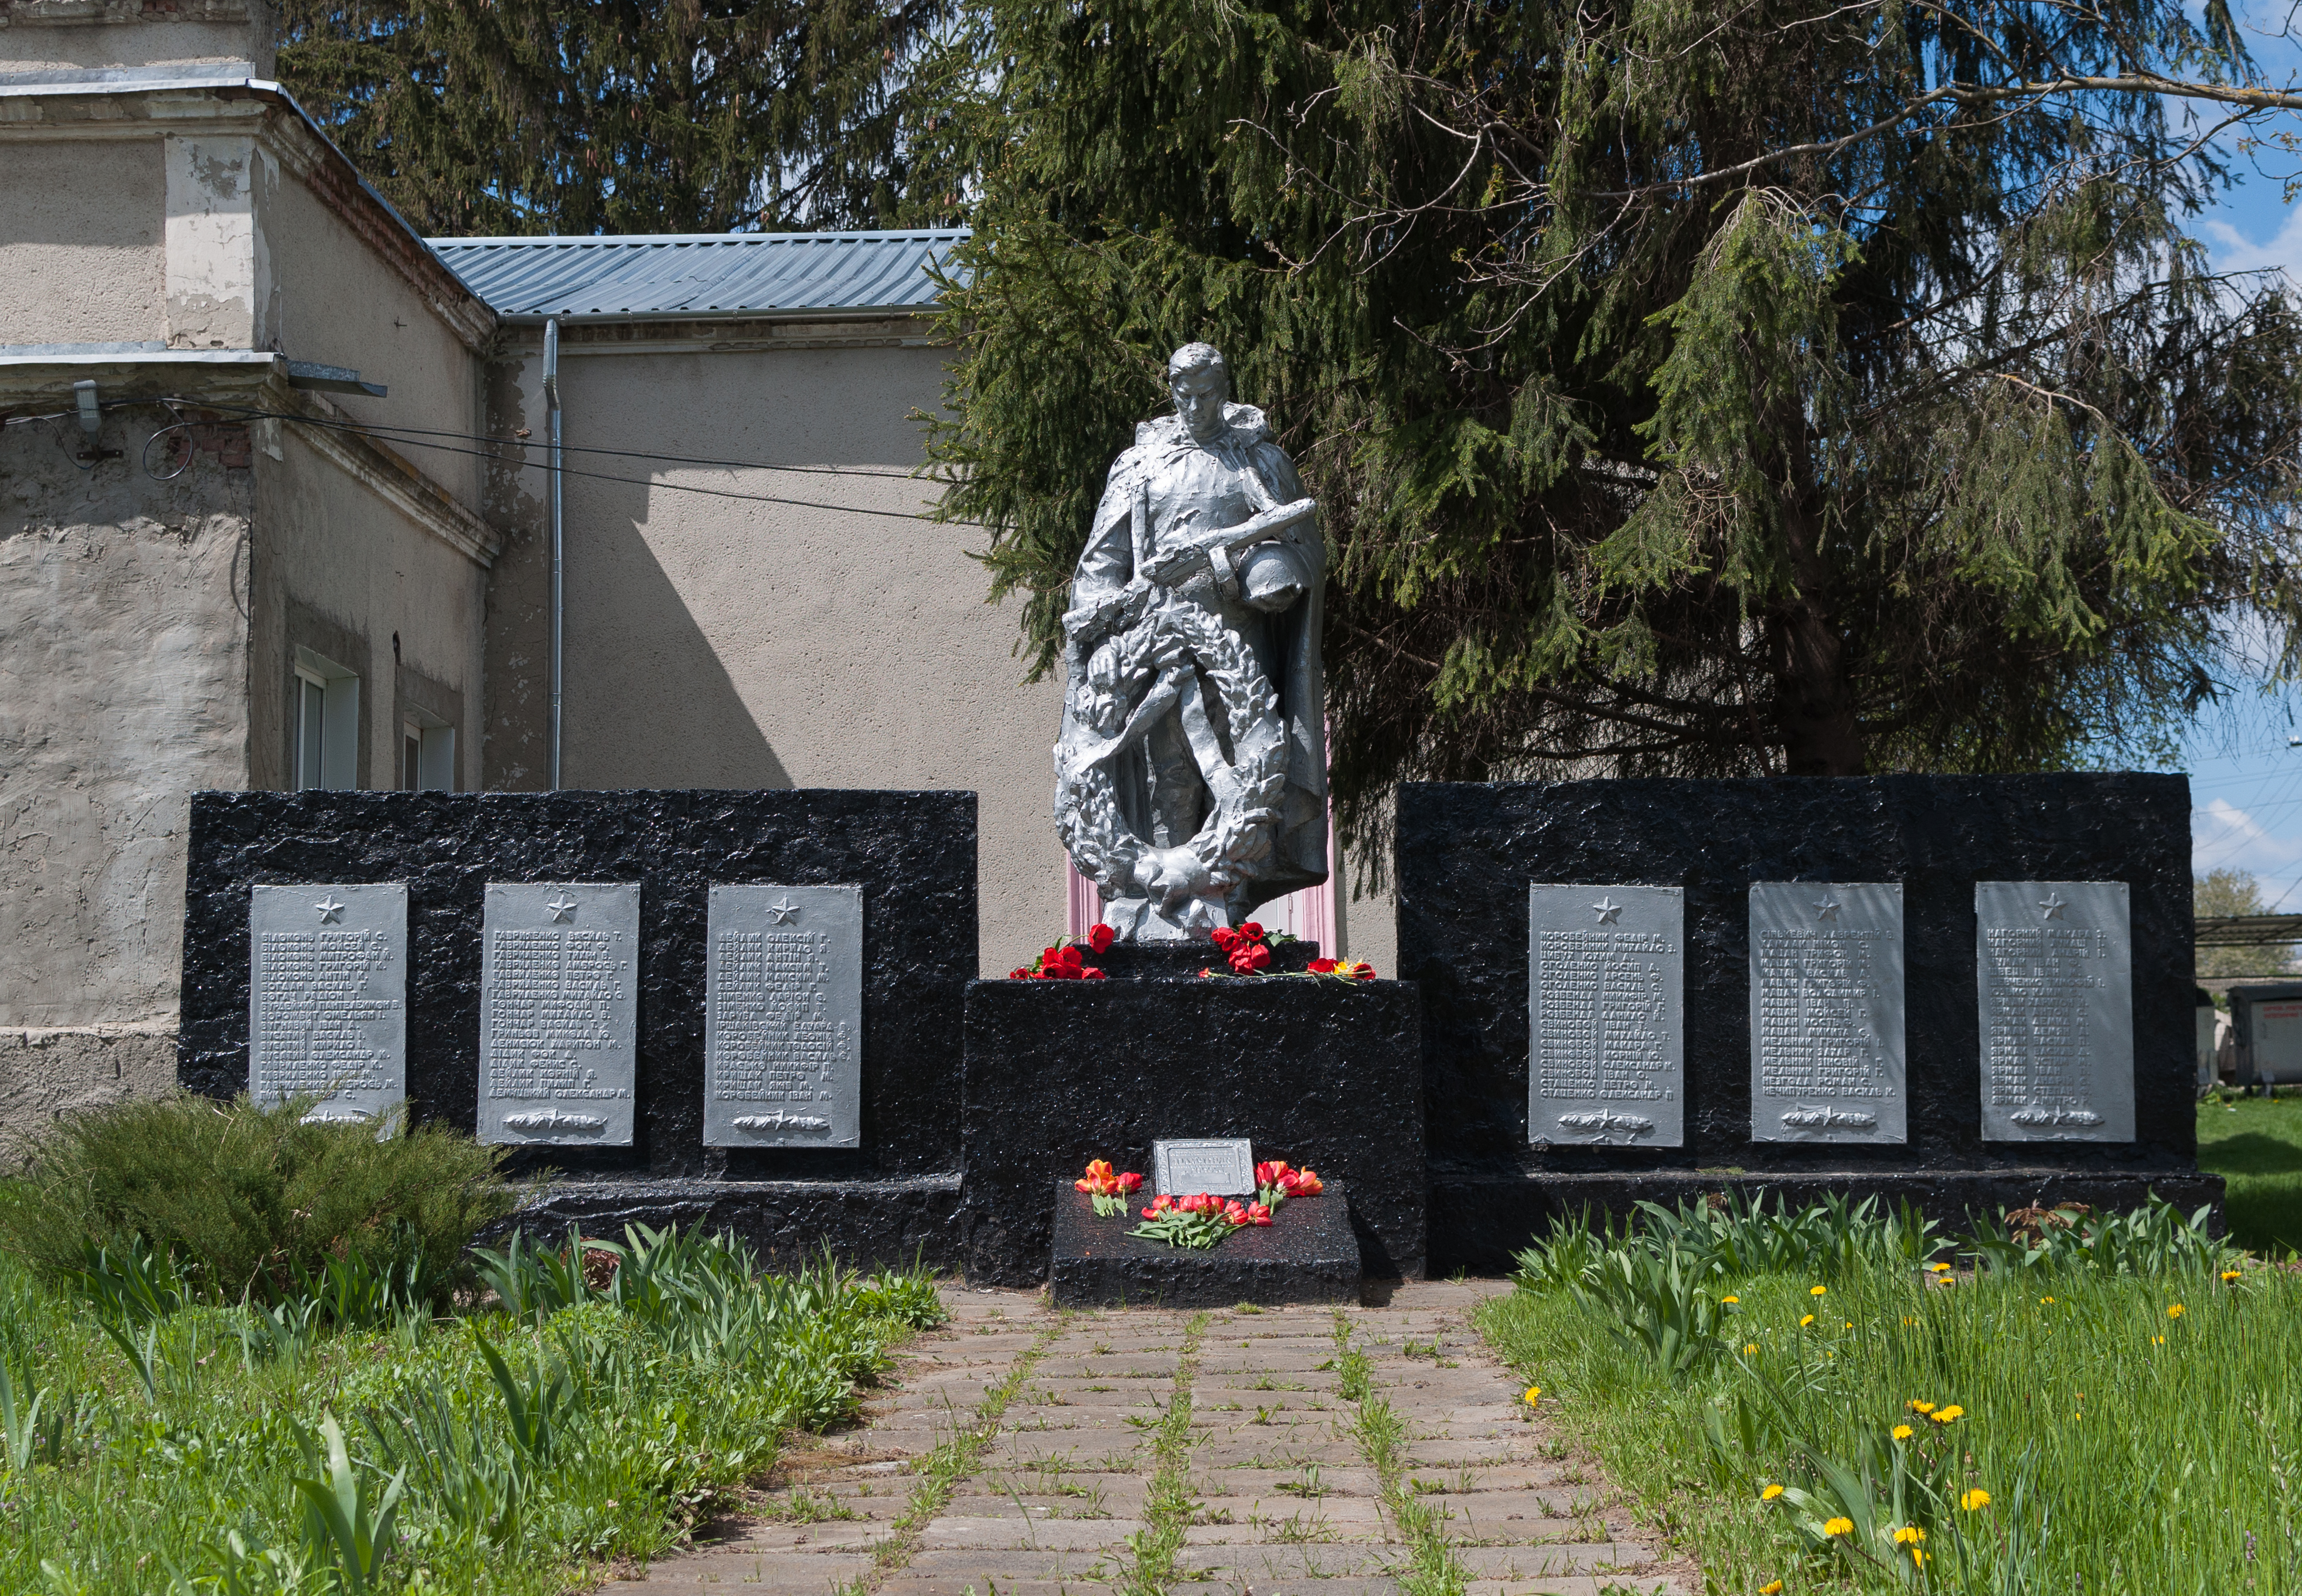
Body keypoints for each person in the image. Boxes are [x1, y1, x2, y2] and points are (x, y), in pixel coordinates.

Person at [1054, 342, 1329, 940]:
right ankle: (1153, 890)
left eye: (1208, 394)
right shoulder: (1142, 465)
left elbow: (1302, 549)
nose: (1197, 406)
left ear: (1224, 388)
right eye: (1186, 394)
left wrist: (1251, 571)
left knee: (1234, 765)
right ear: (1172, 390)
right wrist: (1096, 625)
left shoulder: (1256, 462)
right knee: (1167, 770)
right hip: (1156, 637)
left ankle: (1221, 896)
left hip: (1238, 644)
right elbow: (1105, 558)